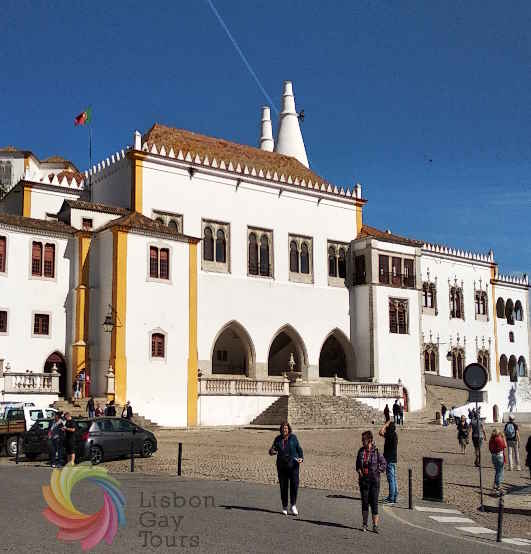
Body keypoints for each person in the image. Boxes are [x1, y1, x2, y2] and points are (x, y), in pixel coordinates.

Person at [269, 421, 304, 515]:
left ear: (288, 429)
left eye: (286, 428)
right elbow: (272, 450)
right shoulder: (278, 439)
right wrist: (272, 451)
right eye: (283, 428)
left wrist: (301, 458)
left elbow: (299, 449)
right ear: (281, 429)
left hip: (293, 465)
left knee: (294, 485)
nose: (285, 430)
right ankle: (284, 506)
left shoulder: (293, 438)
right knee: (283, 487)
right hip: (282, 466)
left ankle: (293, 505)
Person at [356, 430, 386, 533]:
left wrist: (377, 471)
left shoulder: (376, 452)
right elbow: (357, 465)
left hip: (374, 481)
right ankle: (364, 524)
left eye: (363, 440)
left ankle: (375, 526)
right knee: (365, 503)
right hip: (364, 481)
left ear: (369, 440)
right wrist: (359, 471)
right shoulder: (361, 451)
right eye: (362, 440)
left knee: (374, 503)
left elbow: (384, 463)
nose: (362, 441)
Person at [379, 420, 398, 504]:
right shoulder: (394, 435)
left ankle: (391, 498)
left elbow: (380, 432)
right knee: (393, 478)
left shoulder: (389, 435)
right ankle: (394, 496)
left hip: (389, 459)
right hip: (393, 459)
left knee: (391, 479)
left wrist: (385, 424)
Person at [488, 429, 507, 494]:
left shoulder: (491, 439)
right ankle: (498, 487)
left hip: (493, 456)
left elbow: (490, 448)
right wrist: (503, 438)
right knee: (500, 472)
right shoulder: (499, 439)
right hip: (499, 456)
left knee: (497, 471)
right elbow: (504, 446)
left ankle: (495, 486)